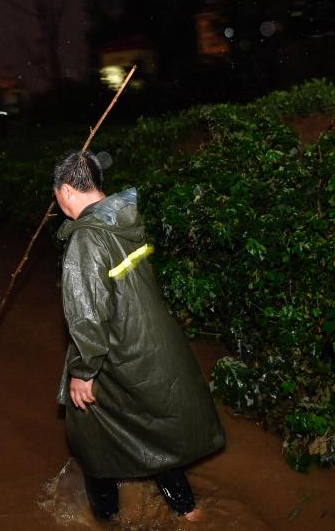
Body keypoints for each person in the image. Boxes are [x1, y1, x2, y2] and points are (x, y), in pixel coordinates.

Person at [52, 150, 226, 521]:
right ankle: (188, 511)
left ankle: (106, 520)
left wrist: (83, 372)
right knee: (153, 428)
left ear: (66, 190)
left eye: (57, 197)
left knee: (91, 437)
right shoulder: (126, 218)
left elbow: (87, 315)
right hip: (152, 347)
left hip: (117, 353)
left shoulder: (86, 240)